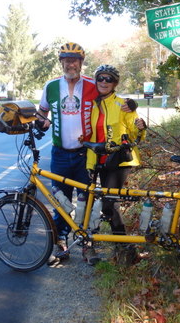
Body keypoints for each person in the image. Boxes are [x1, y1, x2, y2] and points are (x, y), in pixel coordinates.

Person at [38, 43, 135, 266]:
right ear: (61, 62)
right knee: (61, 201)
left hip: (85, 154)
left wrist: (131, 104)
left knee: (87, 201)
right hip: (60, 153)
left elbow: (113, 97)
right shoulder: (51, 86)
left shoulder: (92, 85)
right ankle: (61, 243)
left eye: (75, 60)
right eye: (66, 60)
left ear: (81, 63)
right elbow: (42, 110)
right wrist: (41, 121)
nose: (70, 64)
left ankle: (87, 244)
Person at [86, 64, 146, 264]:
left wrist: (140, 127)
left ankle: (126, 250)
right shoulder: (94, 105)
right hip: (100, 159)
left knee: (110, 202)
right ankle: (112, 245)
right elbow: (93, 133)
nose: (103, 82)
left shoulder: (123, 104)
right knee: (102, 203)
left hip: (119, 160)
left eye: (108, 79)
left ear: (115, 83)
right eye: (100, 78)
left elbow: (136, 132)